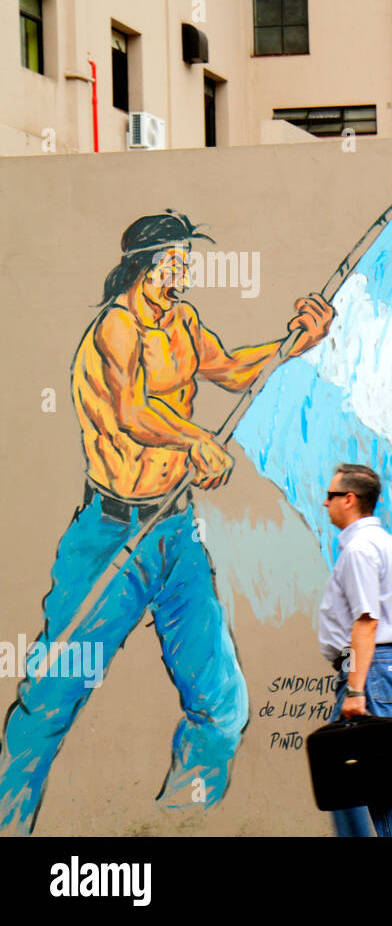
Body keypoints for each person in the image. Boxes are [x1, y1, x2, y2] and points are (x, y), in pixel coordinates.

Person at [0, 210, 333, 834]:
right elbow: (133, 411)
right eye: (172, 259)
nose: (183, 269)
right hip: (112, 537)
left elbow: (232, 369)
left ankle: (174, 828)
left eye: (186, 258)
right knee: (47, 703)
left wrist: (294, 345)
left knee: (222, 709)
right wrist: (196, 441)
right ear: (142, 264)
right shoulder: (115, 330)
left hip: (175, 537)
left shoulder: (182, 322)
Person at [318, 463, 392, 836]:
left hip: (370, 668)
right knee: (360, 779)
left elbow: (367, 622)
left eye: (331, 496)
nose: (325, 503)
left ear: (349, 500)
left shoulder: (359, 550)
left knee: (376, 785)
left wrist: (355, 689)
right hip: (391, 663)